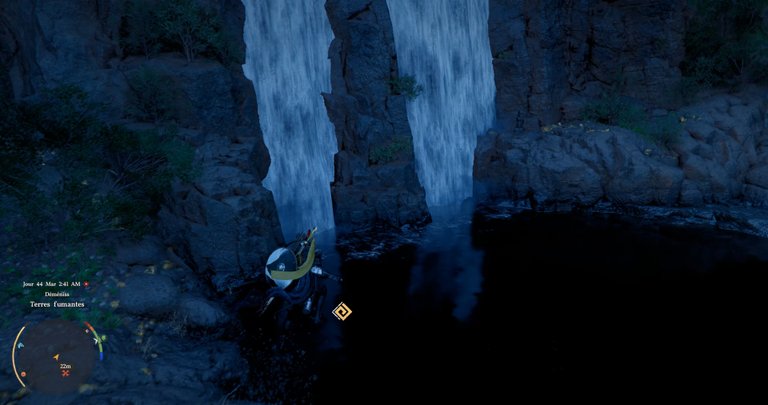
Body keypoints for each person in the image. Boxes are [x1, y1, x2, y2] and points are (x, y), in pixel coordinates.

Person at [261, 228, 340, 328]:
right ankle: (317, 316)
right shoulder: (301, 269)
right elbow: (317, 272)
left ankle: (314, 314)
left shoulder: (297, 259)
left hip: (301, 287)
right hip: (305, 289)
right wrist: (334, 277)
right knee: (322, 291)